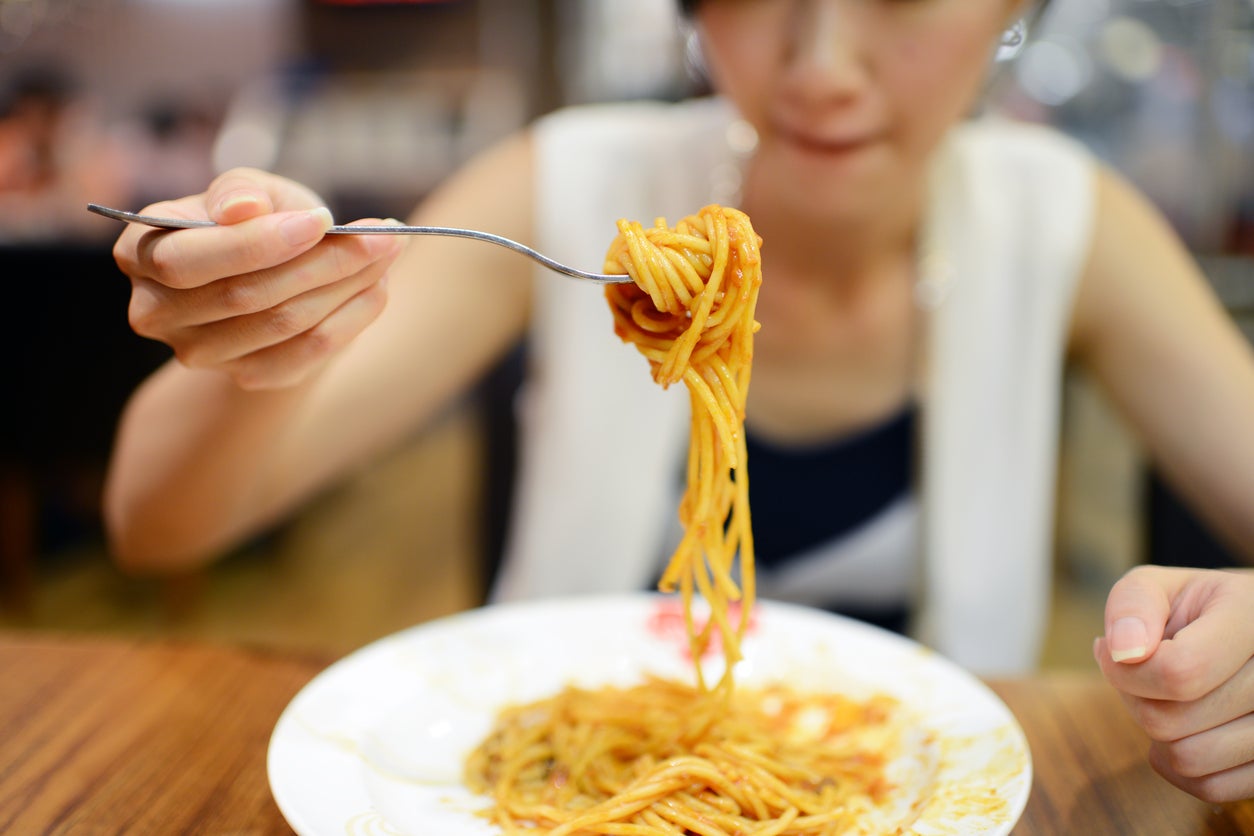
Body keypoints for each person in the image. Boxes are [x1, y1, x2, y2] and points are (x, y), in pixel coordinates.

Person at [102, 0, 1254, 803]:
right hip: (564, 798)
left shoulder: (1070, 225)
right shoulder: (568, 183)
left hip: (895, 792)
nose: (820, 61)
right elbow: (158, 521)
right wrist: (272, 324)